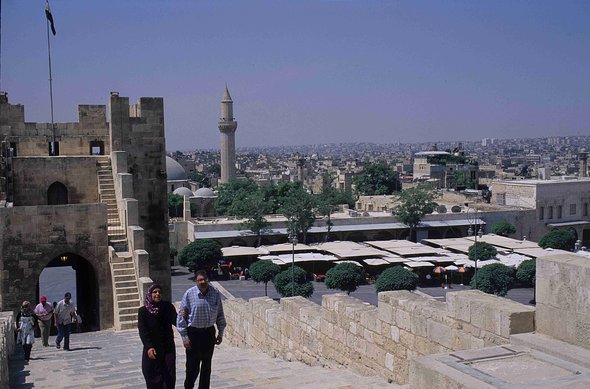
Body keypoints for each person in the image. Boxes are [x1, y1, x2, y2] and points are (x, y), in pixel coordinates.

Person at [177, 270, 226, 389]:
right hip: (194, 334)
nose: (203, 282)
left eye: (205, 279)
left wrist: (220, 333)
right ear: (196, 281)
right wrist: (184, 337)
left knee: (206, 367)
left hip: (209, 333)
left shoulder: (215, 293)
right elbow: (181, 317)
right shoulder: (189, 294)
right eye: (200, 280)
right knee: (192, 368)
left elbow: (220, 314)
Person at [138, 284, 178, 389]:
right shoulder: (143, 311)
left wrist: (185, 317)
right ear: (150, 294)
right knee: (151, 373)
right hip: (152, 348)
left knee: (169, 375)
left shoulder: (168, 307)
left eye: (159, 292)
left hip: (167, 347)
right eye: (154, 292)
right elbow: (143, 331)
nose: (157, 294)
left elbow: (177, 322)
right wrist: (149, 346)